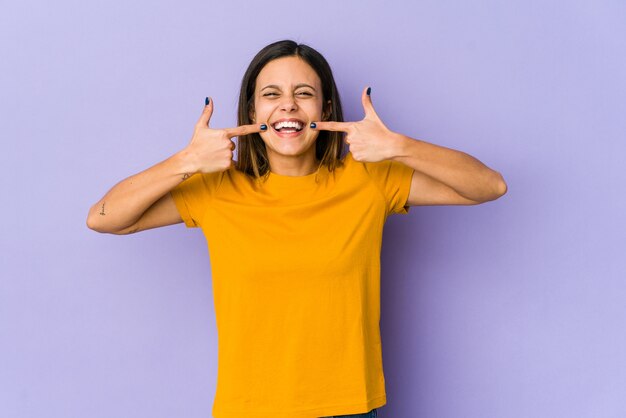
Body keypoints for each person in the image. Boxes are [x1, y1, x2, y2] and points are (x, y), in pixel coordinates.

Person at [87, 39, 507, 418]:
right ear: (253, 112)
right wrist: (184, 162)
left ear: (324, 110)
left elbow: (489, 186)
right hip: (249, 409)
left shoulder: (369, 180)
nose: (287, 106)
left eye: (303, 94)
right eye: (271, 95)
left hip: (349, 409)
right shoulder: (215, 190)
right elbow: (104, 218)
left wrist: (399, 146)